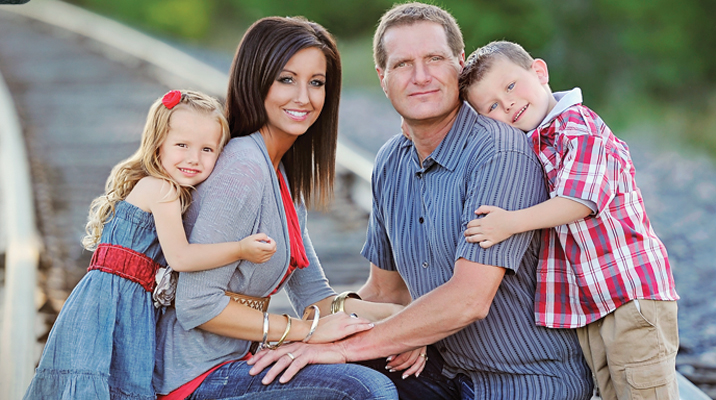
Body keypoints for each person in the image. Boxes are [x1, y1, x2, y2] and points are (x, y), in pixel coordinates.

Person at [247, 3, 594, 400]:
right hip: (439, 373)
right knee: (299, 382)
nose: (422, 77)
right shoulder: (391, 161)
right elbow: (385, 294)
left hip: (523, 381)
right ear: (383, 77)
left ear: (459, 66)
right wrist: (304, 334)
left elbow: (469, 300)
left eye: (434, 59)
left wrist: (345, 349)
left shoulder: (499, 151)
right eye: (403, 64)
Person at [152, 16, 400, 400]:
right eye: (287, 79)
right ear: (256, 81)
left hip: (238, 363)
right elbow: (196, 306)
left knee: (406, 369)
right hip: (197, 379)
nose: (304, 97)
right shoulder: (242, 167)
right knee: (365, 391)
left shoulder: (279, 173)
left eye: (316, 83)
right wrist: (304, 333)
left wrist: (410, 324)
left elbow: (315, 297)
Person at [23, 90, 279, 400]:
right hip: (112, 305)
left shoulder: (164, 188)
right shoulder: (161, 190)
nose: (194, 159)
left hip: (123, 305)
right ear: (158, 144)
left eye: (208, 149)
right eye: (182, 145)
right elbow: (181, 257)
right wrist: (240, 249)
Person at [459, 41, 680, 399]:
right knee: (613, 392)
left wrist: (510, 223)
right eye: (493, 106)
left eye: (511, 86)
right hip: (593, 301)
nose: (508, 103)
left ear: (540, 72)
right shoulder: (534, 139)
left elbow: (580, 201)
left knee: (644, 392)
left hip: (630, 290)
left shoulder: (578, 127)